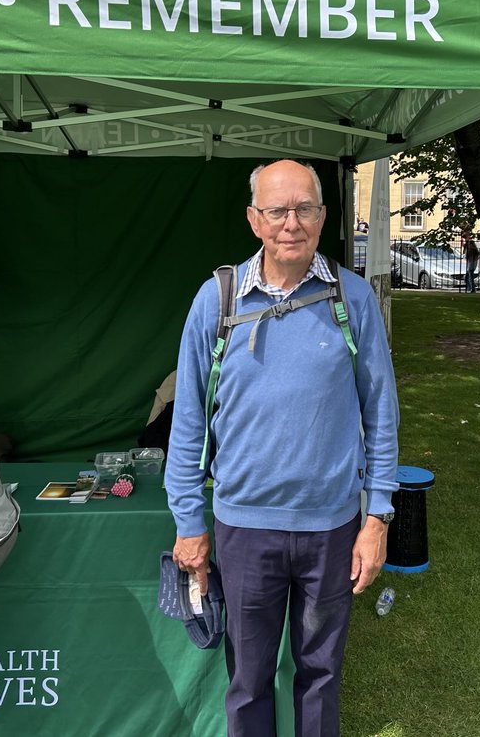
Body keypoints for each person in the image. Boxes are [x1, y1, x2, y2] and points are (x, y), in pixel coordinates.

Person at [165, 160, 400, 737]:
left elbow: (381, 413)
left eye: (304, 209)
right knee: (248, 681)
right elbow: (189, 420)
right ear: (254, 219)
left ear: (323, 216)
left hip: (331, 527)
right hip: (245, 527)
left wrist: (376, 518)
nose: (291, 223)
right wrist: (189, 522)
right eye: (277, 210)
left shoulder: (351, 298)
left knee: (321, 676)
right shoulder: (216, 300)